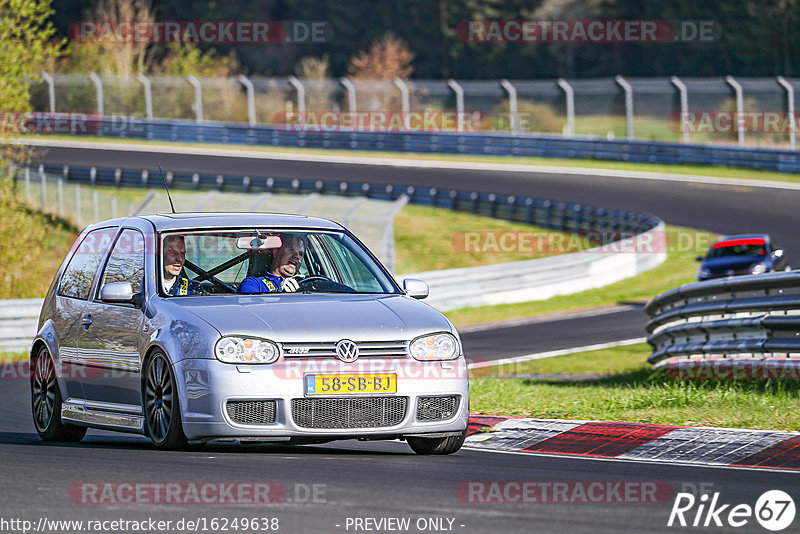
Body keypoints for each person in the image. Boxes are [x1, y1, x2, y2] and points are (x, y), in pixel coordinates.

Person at [239, 234, 306, 293]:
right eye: (291, 250)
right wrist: (281, 294)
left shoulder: (307, 284)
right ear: (276, 251)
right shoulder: (253, 284)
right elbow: (250, 306)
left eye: (301, 254)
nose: (297, 256)